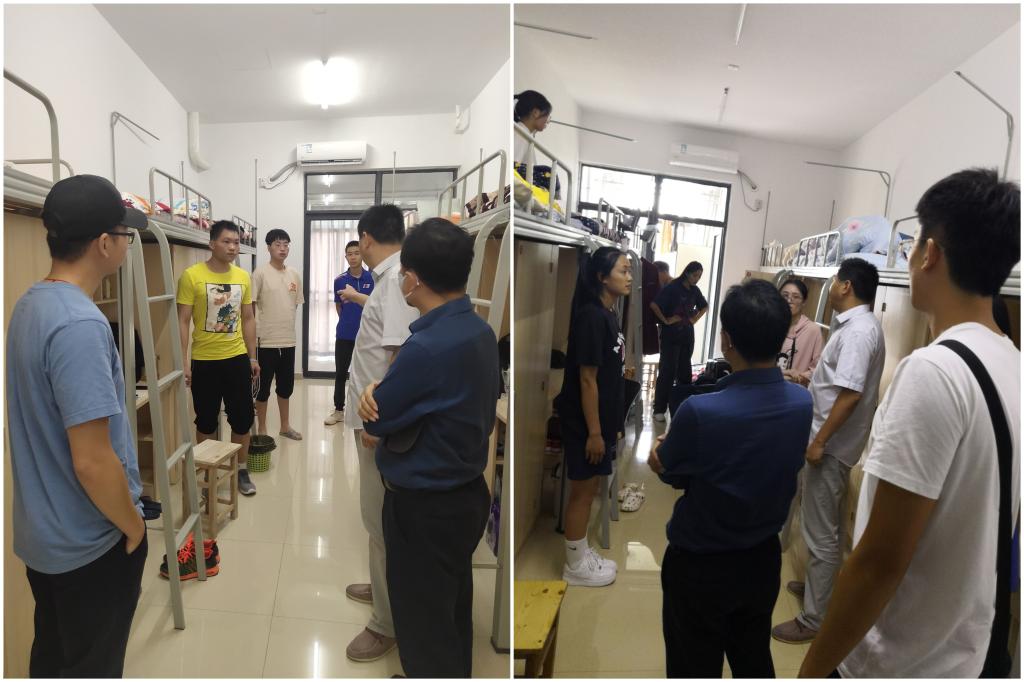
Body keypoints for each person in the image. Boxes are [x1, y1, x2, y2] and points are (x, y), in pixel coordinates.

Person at [799, 168, 1020, 678]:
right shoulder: (1012, 362)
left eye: (914, 242)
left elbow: (879, 561)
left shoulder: (934, 371)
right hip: (962, 653)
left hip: (900, 659)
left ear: (930, 253)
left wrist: (813, 670)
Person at [7, 174, 149, 676]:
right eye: (125, 235)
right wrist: (133, 527)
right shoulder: (81, 325)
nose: (128, 245)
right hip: (90, 543)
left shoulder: (31, 304)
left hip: (45, 537)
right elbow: (91, 460)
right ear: (104, 243)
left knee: (53, 659)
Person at [648, 279, 812, 678]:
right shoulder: (802, 403)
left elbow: (668, 468)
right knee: (752, 658)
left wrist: (659, 454)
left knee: (693, 665)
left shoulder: (700, 411)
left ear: (727, 341)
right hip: (761, 559)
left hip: (700, 564)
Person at [359, 218, 500, 678]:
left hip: (424, 508)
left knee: (422, 623)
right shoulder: (479, 331)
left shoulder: (425, 348)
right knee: (451, 609)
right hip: (466, 496)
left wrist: (372, 396)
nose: (402, 280)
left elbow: (376, 422)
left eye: (404, 273)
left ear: (414, 279)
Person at [773, 257, 885, 644]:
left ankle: (814, 619)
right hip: (832, 442)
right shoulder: (855, 327)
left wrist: (819, 441)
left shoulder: (858, 333)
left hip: (831, 446)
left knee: (820, 532)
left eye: (835, 280)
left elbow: (850, 394)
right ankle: (820, 592)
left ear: (846, 286)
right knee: (827, 527)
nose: (832, 286)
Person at [343, 204, 419, 662]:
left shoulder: (393, 281)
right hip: (371, 416)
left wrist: (379, 421)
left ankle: (386, 623)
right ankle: (382, 586)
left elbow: (397, 359)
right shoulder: (392, 279)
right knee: (377, 519)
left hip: (377, 422)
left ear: (367, 239)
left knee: (378, 519)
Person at [554, 246, 632, 587]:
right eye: (623, 271)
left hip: (600, 420)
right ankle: (574, 566)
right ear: (602, 277)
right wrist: (596, 433)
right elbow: (587, 380)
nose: (629, 277)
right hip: (585, 424)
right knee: (582, 493)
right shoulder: (591, 317)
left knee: (588, 491)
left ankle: (581, 553)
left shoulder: (608, 313)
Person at [177, 220, 260, 496]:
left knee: (242, 419)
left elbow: (248, 318)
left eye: (236, 242)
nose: (233, 247)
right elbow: (182, 320)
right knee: (206, 421)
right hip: (204, 360)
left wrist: (252, 357)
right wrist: (184, 362)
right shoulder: (191, 276)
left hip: (236, 358)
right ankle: (206, 472)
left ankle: (241, 470)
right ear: (212, 243)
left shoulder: (243, 277)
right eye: (226, 241)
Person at [252, 228, 304, 440]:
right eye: (277, 244)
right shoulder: (260, 273)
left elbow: (295, 304)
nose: (282, 248)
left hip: (288, 340)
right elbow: (251, 308)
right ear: (269, 248)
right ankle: (262, 429)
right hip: (265, 341)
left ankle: (285, 426)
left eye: (286, 245)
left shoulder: (294, 274)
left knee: (286, 387)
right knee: (262, 389)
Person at [650, 260, 709, 422]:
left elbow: (704, 306)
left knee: (685, 372)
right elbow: (654, 305)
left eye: (699, 276)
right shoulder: (672, 288)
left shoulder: (695, 291)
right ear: (687, 273)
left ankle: (682, 408)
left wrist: (694, 319)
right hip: (671, 336)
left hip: (687, 336)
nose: (697, 279)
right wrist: (666, 320)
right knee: (667, 372)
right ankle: (659, 409)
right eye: (695, 275)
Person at [325, 240, 373, 425]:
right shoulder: (340, 280)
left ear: (362, 255)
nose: (353, 257)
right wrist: (348, 321)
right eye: (349, 254)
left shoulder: (372, 278)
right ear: (346, 257)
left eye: (356, 253)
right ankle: (338, 410)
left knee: (365, 374)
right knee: (340, 373)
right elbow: (339, 307)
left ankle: (366, 409)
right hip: (345, 334)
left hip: (367, 335)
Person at [777, 278, 824, 386]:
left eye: (796, 296)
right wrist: (786, 374)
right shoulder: (770, 324)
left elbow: (818, 369)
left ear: (804, 302)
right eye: (785, 295)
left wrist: (799, 377)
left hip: (797, 390)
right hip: (769, 388)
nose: (789, 300)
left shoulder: (813, 330)